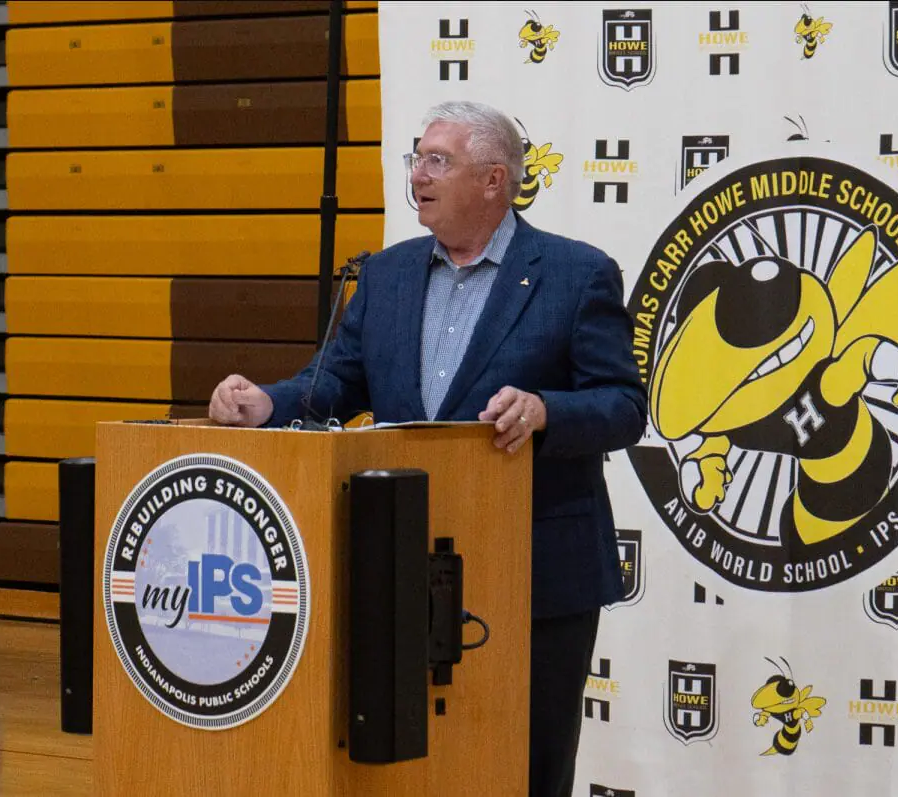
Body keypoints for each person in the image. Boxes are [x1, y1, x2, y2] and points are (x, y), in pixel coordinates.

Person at [209, 100, 645, 797]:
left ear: (495, 179)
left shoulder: (575, 274)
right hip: (401, 565)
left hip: (533, 573)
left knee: (525, 771)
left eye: (437, 160)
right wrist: (267, 402)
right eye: (416, 157)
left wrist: (545, 410)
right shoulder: (387, 274)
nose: (417, 175)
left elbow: (624, 407)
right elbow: (336, 384)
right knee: (412, 767)